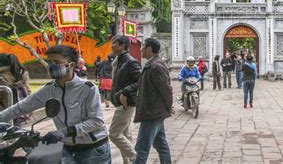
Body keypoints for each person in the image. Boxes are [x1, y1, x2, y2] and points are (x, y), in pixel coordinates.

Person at [0, 45, 111, 163]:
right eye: (50, 62)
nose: (52, 66)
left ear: (71, 65)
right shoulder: (49, 89)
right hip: (67, 149)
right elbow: (19, 108)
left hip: (93, 149)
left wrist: (62, 133)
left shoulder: (88, 89)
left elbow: (96, 121)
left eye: (57, 62)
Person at [133, 38, 174, 164]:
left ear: (149, 48)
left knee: (141, 148)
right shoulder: (151, 64)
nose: (140, 49)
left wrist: (169, 106)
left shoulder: (155, 66)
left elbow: (166, 89)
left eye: (142, 46)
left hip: (152, 112)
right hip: (154, 111)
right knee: (161, 145)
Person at [110, 36, 141, 164]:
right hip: (119, 101)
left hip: (126, 102)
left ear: (122, 45)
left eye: (114, 43)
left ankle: (137, 158)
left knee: (114, 134)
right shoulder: (117, 60)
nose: (112, 46)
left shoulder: (130, 62)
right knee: (125, 134)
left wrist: (125, 92)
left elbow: (140, 80)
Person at [0, 53, 31, 124]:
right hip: (18, 109)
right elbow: (28, 91)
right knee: (16, 128)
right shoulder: (21, 73)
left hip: (3, 110)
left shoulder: (2, 76)